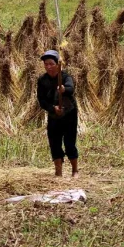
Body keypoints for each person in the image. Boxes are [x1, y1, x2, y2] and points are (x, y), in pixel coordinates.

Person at [36, 49, 79, 179]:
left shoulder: (65, 77)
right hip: (54, 115)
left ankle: (75, 171)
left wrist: (64, 89)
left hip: (69, 114)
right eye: (46, 64)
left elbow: (71, 89)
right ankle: (58, 172)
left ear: (58, 64)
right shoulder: (42, 80)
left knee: (69, 142)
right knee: (54, 142)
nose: (48, 67)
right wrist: (53, 108)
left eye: (51, 64)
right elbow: (41, 100)